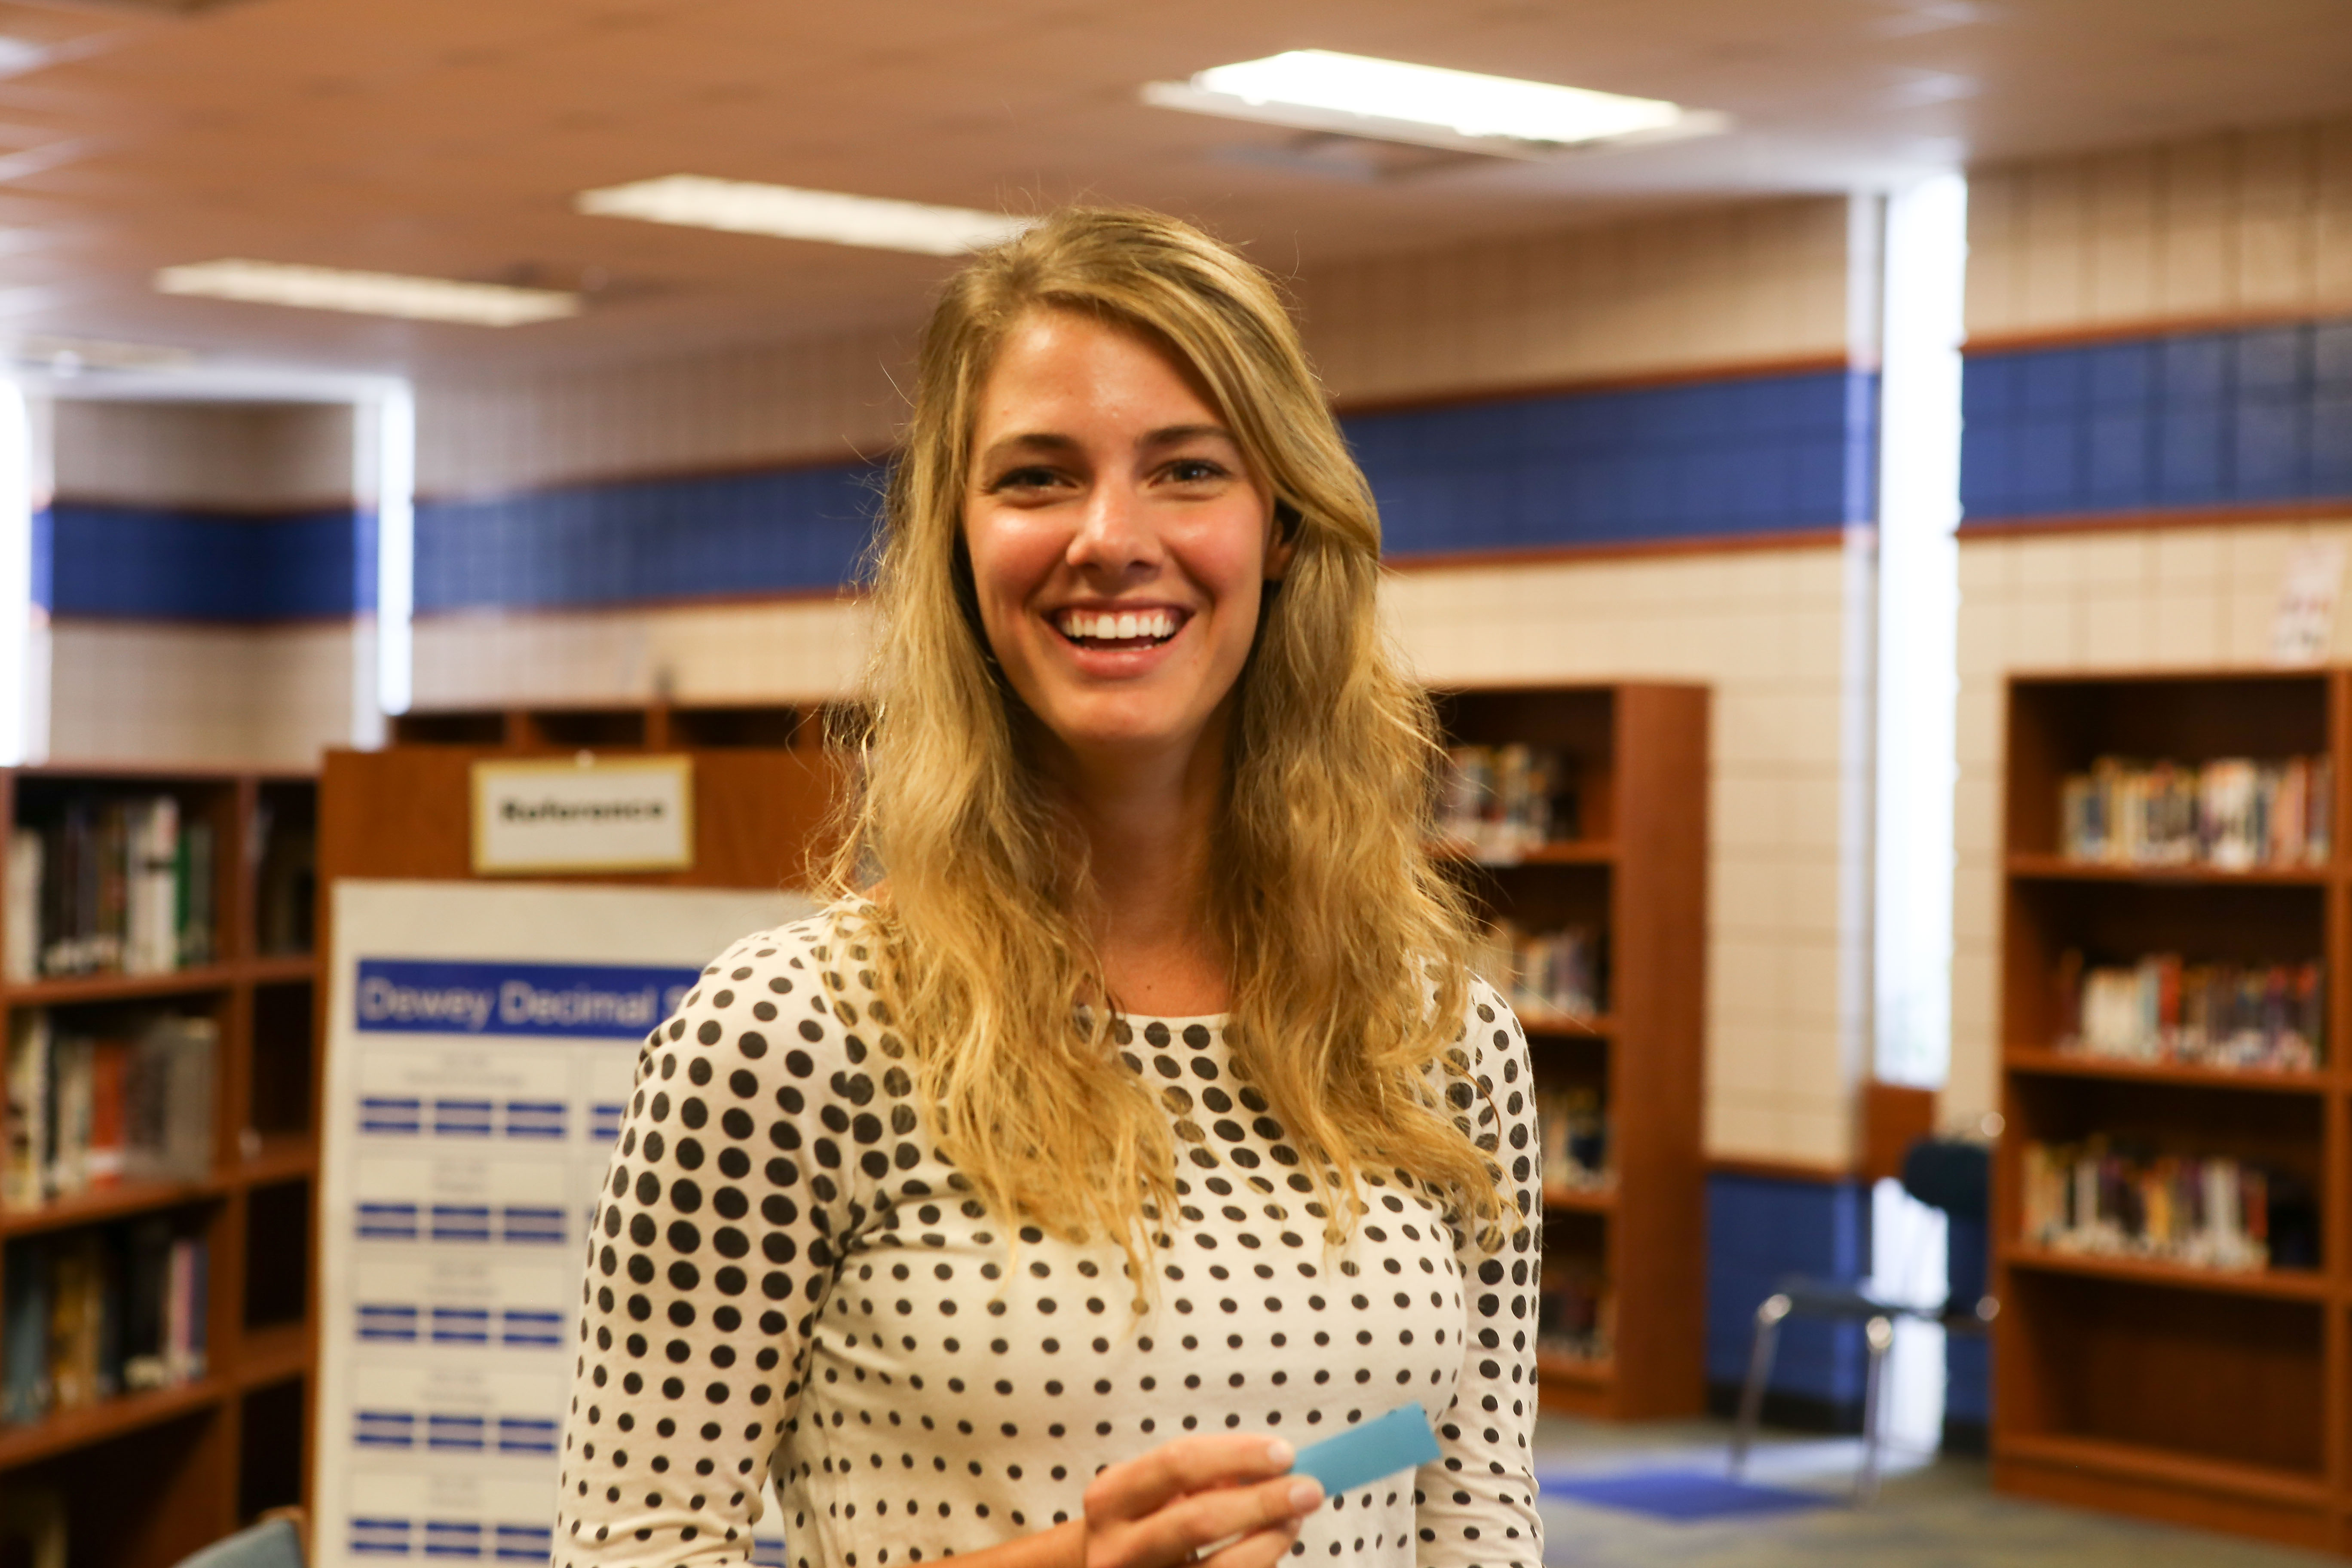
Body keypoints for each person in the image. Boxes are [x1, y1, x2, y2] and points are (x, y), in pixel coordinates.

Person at [554, 207, 1543, 1568]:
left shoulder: (1438, 1038)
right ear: (957, 545)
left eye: (1188, 470)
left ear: (1284, 528)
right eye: (1036, 479)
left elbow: (1477, 1514)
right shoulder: (792, 1033)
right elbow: (631, 1547)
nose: (1110, 536)